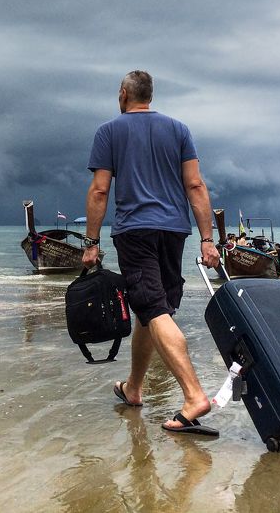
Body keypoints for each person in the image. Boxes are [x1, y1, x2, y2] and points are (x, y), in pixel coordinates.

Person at [82, 70, 221, 436]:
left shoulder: (109, 131)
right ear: (151, 95)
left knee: (154, 309)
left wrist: (91, 242)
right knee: (151, 309)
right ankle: (134, 388)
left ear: (124, 93)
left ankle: (194, 396)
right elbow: (195, 184)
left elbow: (99, 191)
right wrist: (208, 240)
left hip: (135, 231)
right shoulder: (179, 129)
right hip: (174, 231)